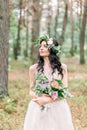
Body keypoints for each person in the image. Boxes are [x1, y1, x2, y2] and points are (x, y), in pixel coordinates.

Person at [23, 35, 74, 130]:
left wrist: (48, 99)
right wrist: (38, 97)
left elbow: (64, 90)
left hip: (58, 106)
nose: (41, 48)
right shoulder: (33, 68)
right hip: (39, 106)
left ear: (53, 49)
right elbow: (31, 91)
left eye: (45, 46)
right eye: (40, 46)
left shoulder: (62, 68)